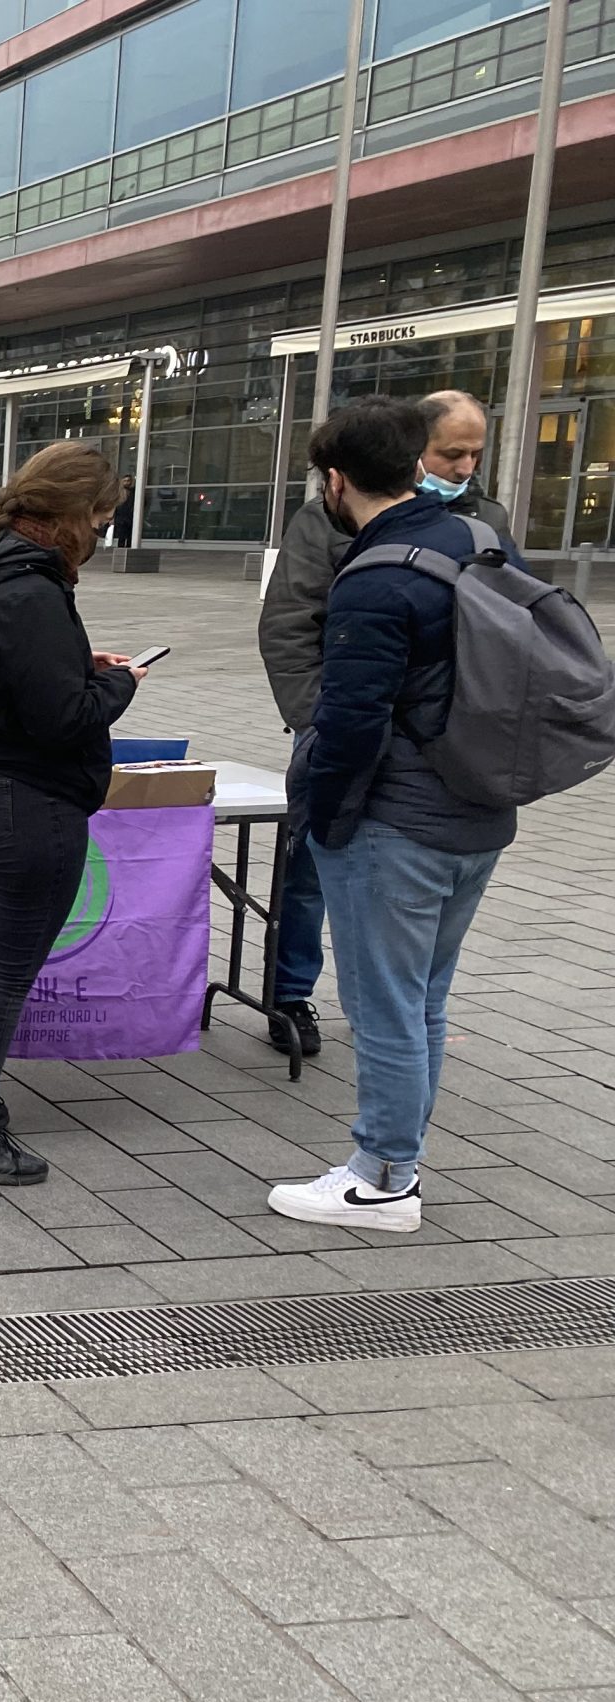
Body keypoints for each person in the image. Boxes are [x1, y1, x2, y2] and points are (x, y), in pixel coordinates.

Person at [267, 398, 523, 1234]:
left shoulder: (376, 575)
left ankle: (383, 1177)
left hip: (397, 822)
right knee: (423, 1000)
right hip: (477, 808)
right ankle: (397, 1159)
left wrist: (325, 819)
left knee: (384, 1007)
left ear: (335, 480)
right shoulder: (477, 539)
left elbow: (351, 723)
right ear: (415, 465)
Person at [0, 442, 144, 1185]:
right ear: (73, 512)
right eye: (102, 516)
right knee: (7, 971)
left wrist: (76, 667)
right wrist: (119, 686)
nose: (103, 530)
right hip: (25, 801)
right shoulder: (31, 588)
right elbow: (61, 719)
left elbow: (2, 674)